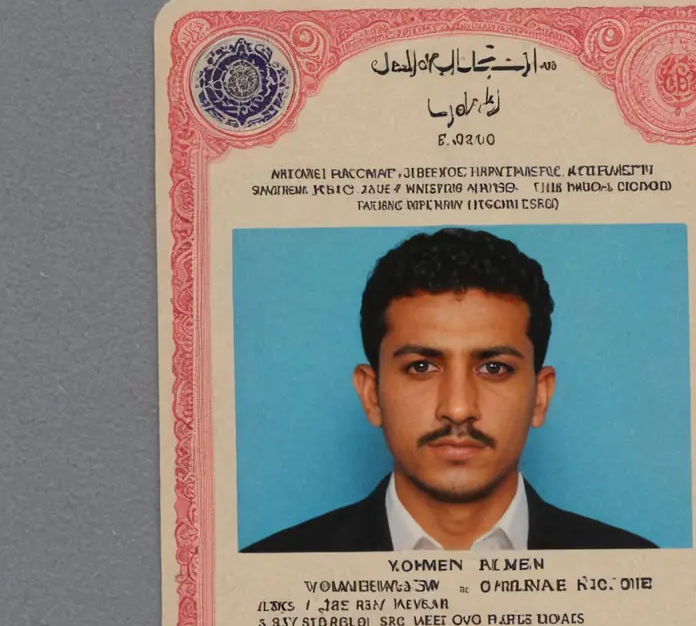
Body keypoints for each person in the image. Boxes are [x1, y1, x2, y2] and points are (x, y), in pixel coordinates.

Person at [243, 228, 656, 552]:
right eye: (421, 367)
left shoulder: (636, 571)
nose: (458, 409)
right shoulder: (267, 575)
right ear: (371, 394)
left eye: (494, 368)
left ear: (540, 396)